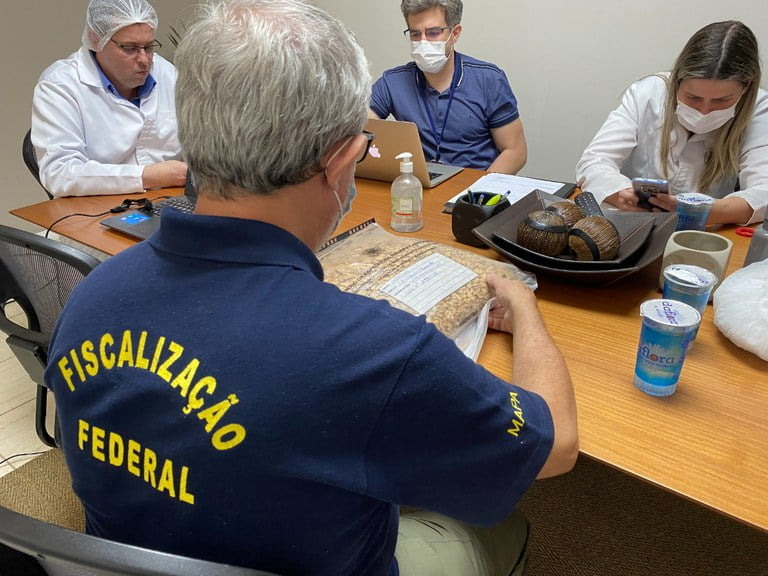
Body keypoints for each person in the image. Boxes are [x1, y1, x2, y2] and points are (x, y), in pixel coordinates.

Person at [44, 1, 578, 575]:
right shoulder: (379, 351)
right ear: (343, 159)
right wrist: (523, 307)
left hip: (124, 557)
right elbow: (555, 445)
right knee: (503, 525)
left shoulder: (92, 292)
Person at [576, 20, 768, 226]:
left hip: (705, 232)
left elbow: (763, 192)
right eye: (692, 97)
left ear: (745, 89)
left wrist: (700, 212)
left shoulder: (759, 108)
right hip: (634, 224)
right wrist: (623, 195)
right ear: (677, 81)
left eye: (721, 101)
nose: (703, 111)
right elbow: (595, 161)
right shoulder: (649, 93)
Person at [31, 0, 187, 198]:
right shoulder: (60, 86)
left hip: (164, 200)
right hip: (93, 208)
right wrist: (149, 175)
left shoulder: (166, 73)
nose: (144, 59)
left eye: (148, 47)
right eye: (129, 48)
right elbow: (60, 174)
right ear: (97, 41)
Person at [369, 0, 527, 174]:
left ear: (455, 33)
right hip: (421, 186)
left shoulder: (489, 80)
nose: (423, 42)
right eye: (415, 34)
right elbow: (359, 128)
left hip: (475, 189)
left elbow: (515, 151)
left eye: (433, 33)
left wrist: (477, 193)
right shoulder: (392, 82)